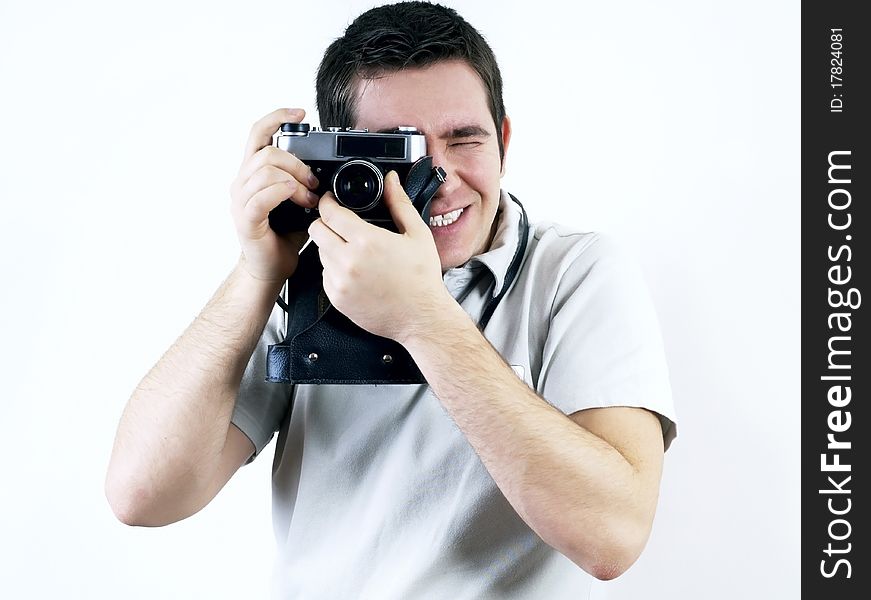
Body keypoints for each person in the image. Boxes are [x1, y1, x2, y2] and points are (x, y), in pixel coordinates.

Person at [106, 2, 677, 598]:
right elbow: (141, 494)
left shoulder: (574, 274)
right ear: (339, 157)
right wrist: (257, 273)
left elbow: (612, 536)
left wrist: (422, 318)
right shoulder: (308, 282)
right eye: (397, 152)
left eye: (464, 140)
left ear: (504, 140)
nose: (439, 178)